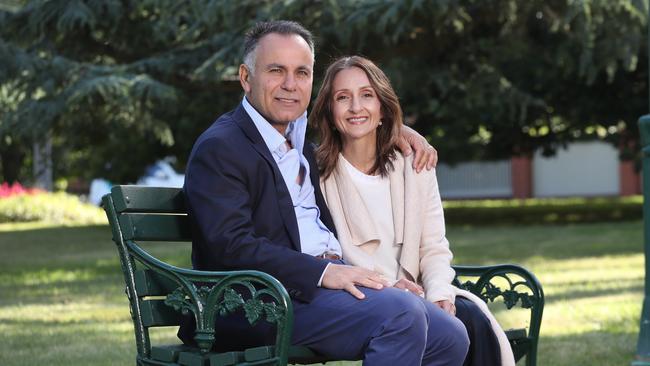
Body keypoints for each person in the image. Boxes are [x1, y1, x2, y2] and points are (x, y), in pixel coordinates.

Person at [180, 20, 469, 365]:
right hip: (258, 303)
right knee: (401, 314)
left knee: (449, 334)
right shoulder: (222, 147)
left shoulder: (299, 140)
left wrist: (399, 129)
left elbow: (355, 119)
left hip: (316, 290)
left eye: (301, 73)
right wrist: (324, 273)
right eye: (276, 71)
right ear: (246, 77)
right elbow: (231, 245)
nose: (290, 85)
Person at [313, 56, 516, 366]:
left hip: (420, 292)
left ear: (382, 106)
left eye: (367, 95)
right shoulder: (316, 176)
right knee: (420, 323)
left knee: (471, 319)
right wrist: (392, 289)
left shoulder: (415, 166)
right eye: (343, 97)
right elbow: (327, 256)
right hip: (366, 297)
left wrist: (438, 294)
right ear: (330, 109)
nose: (356, 107)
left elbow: (433, 246)